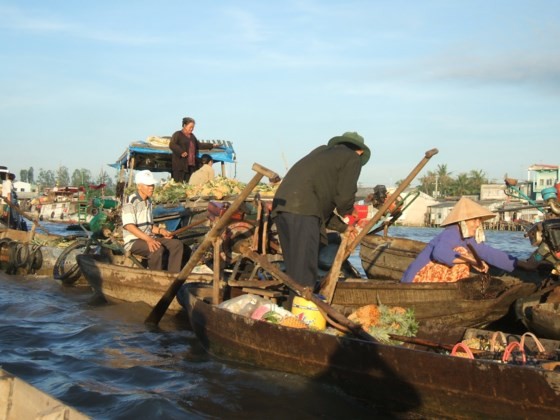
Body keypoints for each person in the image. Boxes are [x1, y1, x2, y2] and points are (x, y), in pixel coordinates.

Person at [271, 131, 371, 307]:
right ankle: (302, 316)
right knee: (304, 273)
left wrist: (344, 228)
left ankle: (290, 310)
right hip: (302, 213)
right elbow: (345, 196)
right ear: (360, 151)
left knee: (294, 269)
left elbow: (319, 206)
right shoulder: (352, 158)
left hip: (282, 209)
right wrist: (350, 211)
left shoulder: (320, 155)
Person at [401, 197, 537, 283]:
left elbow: (489, 253)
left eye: (479, 220)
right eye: (474, 220)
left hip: (429, 278)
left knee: (469, 253)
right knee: (463, 253)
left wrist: (520, 264)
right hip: (416, 279)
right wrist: (471, 260)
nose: (478, 224)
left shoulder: (468, 239)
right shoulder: (452, 232)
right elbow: (440, 253)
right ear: (463, 222)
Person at [122, 170, 186, 273]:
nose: (151, 188)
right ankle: (155, 279)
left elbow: (149, 226)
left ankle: (173, 277)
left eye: (152, 185)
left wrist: (162, 231)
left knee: (176, 244)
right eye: (148, 185)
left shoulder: (149, 201)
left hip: (148, 237)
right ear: (139, 186)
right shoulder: (131, 201)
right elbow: (130, 226)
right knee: (157, 250)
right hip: (133, 240)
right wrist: (149, 240)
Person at [169, 117, 214, 183]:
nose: (192, 129)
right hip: (180, 166)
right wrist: (181, 151)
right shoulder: (178, 134)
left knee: (189, 184)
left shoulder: (192, 136)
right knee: (178, 184)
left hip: (190, 166)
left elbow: (199, 145)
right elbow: (172, 144)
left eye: (193, 127)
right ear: (184, 125)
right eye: (190, 127)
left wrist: (211, 145)